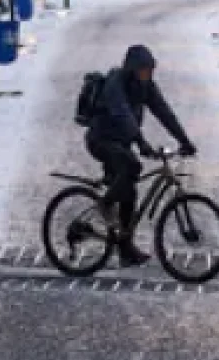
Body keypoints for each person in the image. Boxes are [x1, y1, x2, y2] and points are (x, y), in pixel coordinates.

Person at [84, 44, 196, 265]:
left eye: (149, 71)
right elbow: (122, 113)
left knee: (130, 192)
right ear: (132, 69)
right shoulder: (116, 82)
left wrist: (184, 140)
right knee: (132, 166)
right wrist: (141, 141)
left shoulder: (146, 87)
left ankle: (125, 249)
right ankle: (105, 204)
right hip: (101, 140)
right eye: (142, 70)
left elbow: (164, 112)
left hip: (122, 142)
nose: (146, 75)